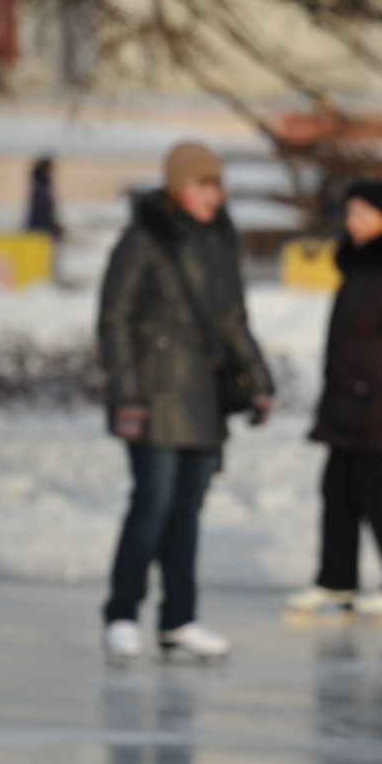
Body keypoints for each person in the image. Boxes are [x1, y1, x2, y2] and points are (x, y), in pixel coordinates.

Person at [97, 141, 275, 665]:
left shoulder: (221, 240)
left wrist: (258, 381)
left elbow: (232, 321)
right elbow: (115, 321)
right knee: (151, 505)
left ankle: (179, 619)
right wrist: (127, 395)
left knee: (188, 512)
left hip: (204, 397)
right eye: (202, 184)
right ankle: (122, 615)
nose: (212, 195)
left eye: (217, 185)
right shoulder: (143, 238)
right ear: (177, 186)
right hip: (153, 397)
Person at [285, 181, 382, 619]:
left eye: (361, 214)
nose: (351, 222)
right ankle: (336, 581)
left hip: (381, 402)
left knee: (376, 493)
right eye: (350, 213)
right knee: (337, 489)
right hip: (346, 399)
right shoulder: (359, 267)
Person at [25, 155, 62, 242]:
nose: (54, 169)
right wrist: (52, 225)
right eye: (51, 166)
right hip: (40, 227)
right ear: (46, 167)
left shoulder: (44, 183)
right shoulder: (41, 185)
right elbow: (43, 208)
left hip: (42, 225)